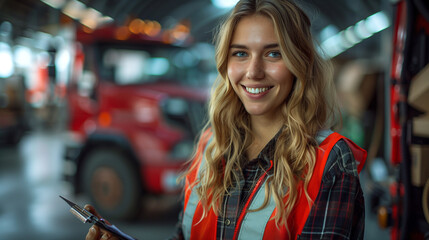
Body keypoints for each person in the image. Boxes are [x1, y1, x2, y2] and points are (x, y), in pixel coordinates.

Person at [85, 0, 367, 239]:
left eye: (273, 53)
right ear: (226, 64)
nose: (253, 72)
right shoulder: (210, 145)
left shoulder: (328, 161)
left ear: (299, 63)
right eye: (241, 54)